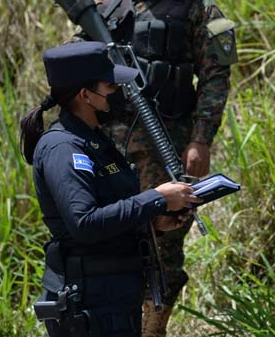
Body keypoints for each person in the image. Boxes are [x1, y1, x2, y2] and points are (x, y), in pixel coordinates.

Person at [81, 0, 237, 335]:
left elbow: (216, 77)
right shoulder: (110, 1)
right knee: (109, 240)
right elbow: (78, 63)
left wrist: (201, 139)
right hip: (107, 148)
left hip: (166, 147)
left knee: (163, 246)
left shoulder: (198, 5)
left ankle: (152, 329)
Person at [20, 41, 198, 336]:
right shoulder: (63, 148)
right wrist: (156, 198)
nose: (120, 94)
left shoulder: (95, 142)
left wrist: (151, 223)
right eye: (111, 87)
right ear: (85, 95)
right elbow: (85, 223)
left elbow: (110, 215)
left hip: (113, 300)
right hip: (90, 306)